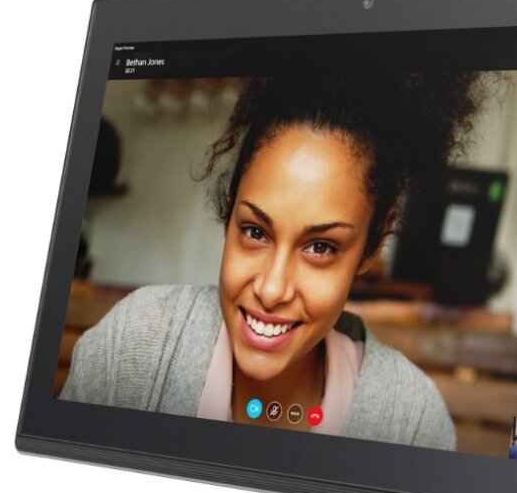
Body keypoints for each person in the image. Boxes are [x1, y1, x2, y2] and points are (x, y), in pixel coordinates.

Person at [59, 73, 486, 451]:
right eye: (255, 232)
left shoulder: (412, 422)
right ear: (230, 211)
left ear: (373, 245)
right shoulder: (133, 349)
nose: (271, 288)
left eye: (321, 247)